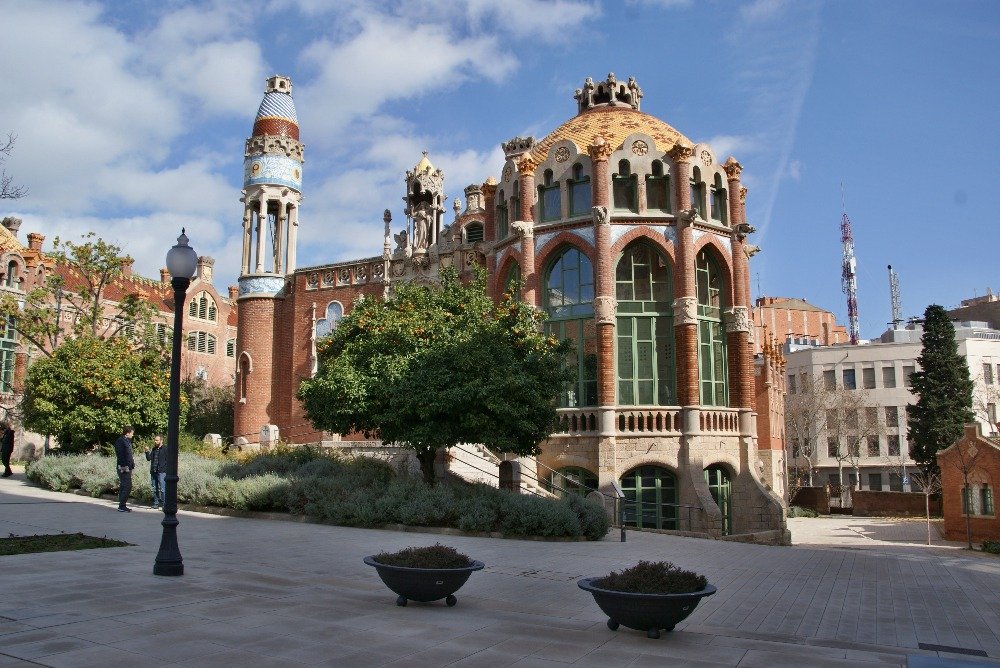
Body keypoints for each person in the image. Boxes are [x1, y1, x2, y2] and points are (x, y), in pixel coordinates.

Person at [113, 426, 135, 512]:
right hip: (124, 467)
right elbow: (120, 454)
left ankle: (121, 505)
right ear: (127, 433)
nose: (132, 435)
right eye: (132, 433)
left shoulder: (126, 441)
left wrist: (132, 465)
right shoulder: (120, 441)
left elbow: (128, 454)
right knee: (127, 486)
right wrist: (124, 467)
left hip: (127, 467)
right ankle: (122, 506)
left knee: (124, 485)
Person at [144, 434, 166, 509]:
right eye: (155, 440)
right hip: (153, 471)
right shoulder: (154, 449)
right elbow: (149, 458)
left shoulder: (165, 449)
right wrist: (147, 451)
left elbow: (169, 460)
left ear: (161, 441)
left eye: (157, 440)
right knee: (154, 488)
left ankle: (165, 504)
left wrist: (165, 469)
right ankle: (156, 503)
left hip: (162, 472)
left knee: (162, 489)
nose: (155, 441)